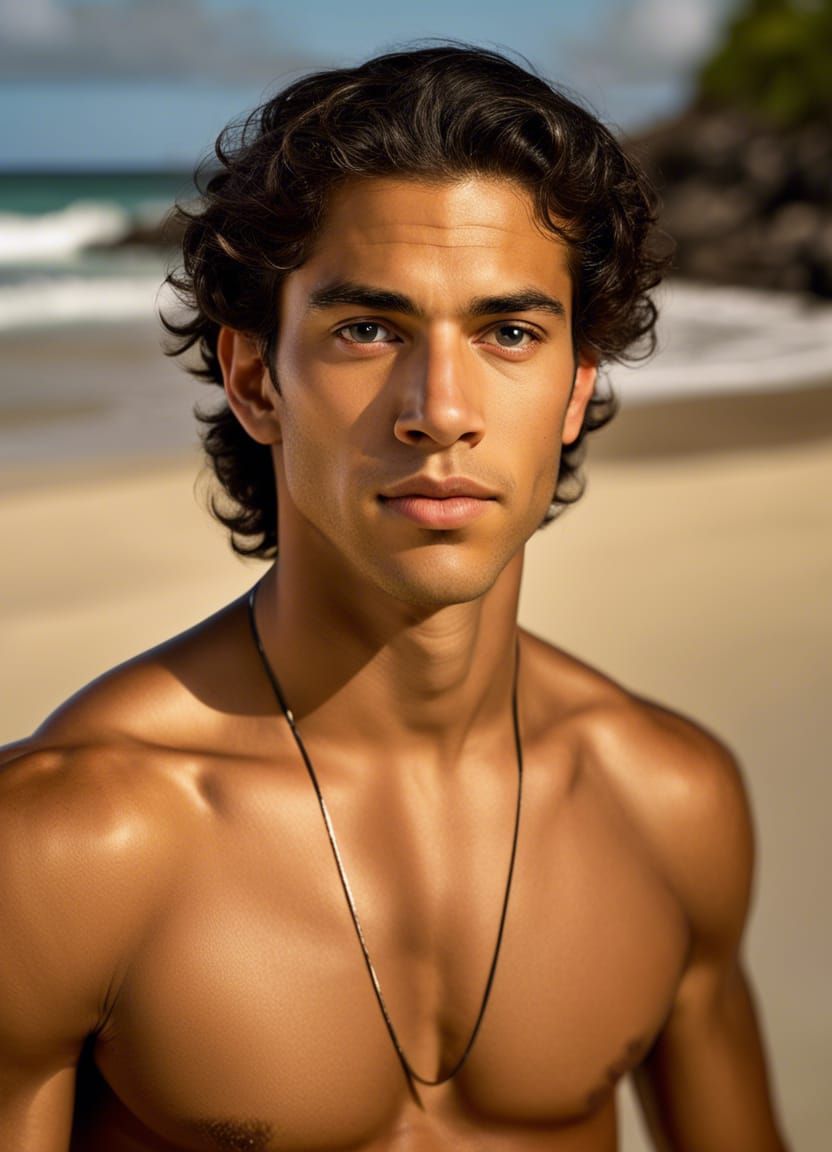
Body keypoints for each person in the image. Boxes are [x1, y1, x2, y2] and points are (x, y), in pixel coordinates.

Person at [0, 45, 789, 1152]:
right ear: (255, 380)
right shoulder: (64, 845)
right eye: (369, 330)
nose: (440, 411)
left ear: (574, 389)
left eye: (507, 332)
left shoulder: (667, 804)